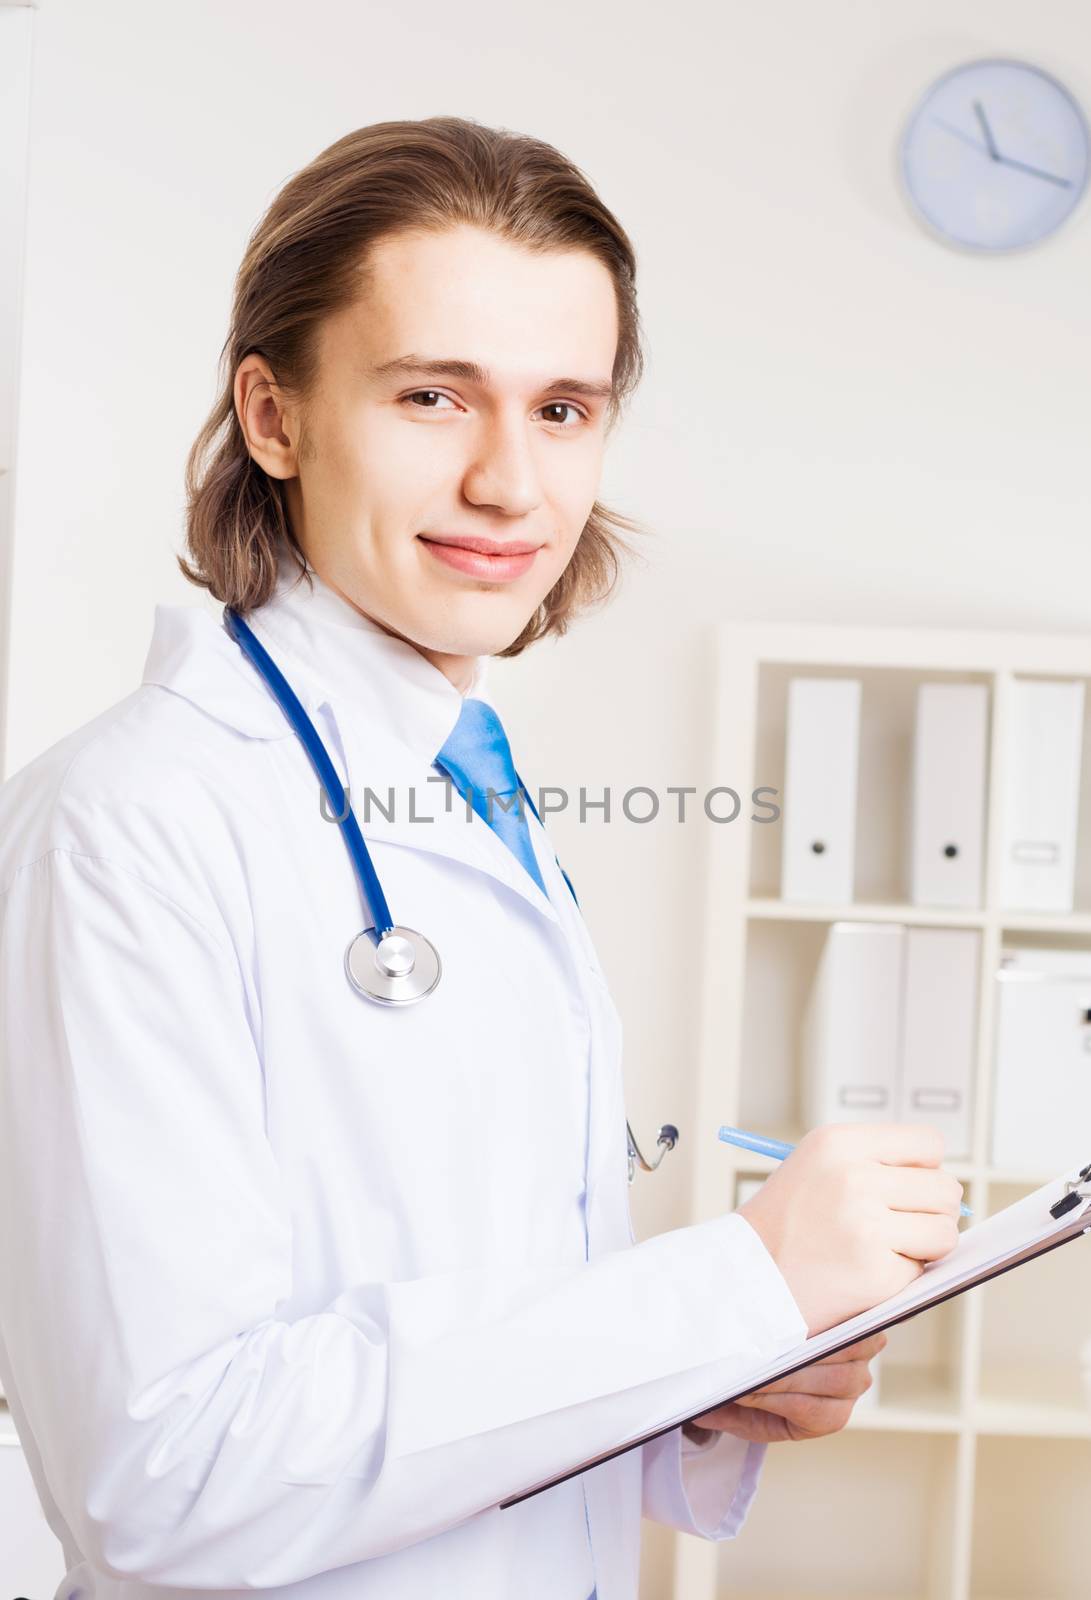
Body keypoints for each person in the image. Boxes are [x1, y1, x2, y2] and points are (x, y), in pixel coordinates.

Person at [0, 116, 962, 1600]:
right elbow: (165, 1473)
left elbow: (479, 1342)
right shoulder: (130, 823)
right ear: (275, 415)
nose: (513, 484)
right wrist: (732, 1286)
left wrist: (710, 1383)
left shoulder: (464, 790)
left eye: (565, 408)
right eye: (435, 396)